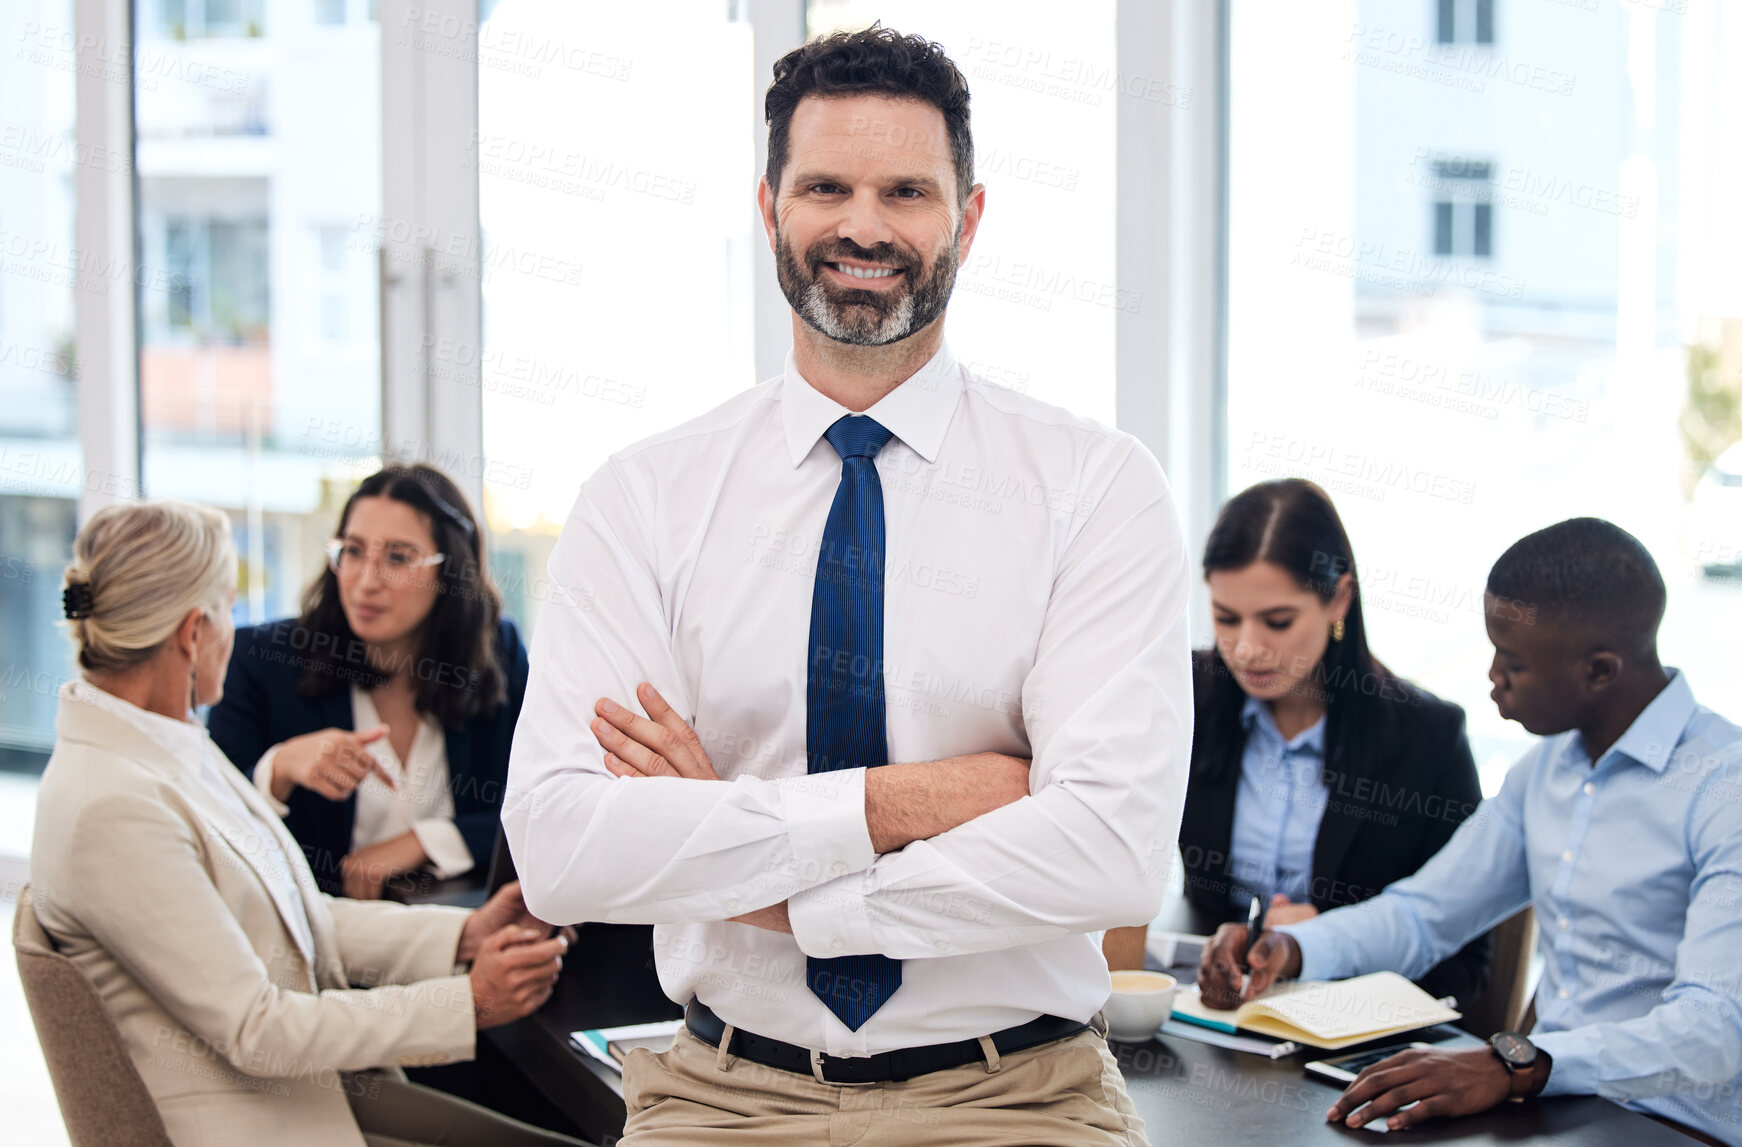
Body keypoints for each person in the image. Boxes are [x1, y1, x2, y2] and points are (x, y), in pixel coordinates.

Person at [504, 25, 1190, 1147]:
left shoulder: (1095, 488)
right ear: (769, 205)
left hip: (1015, 1100)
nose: (862, 226)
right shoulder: (643, 498)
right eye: (825, 185)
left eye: (905, 191)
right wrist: (912, 802)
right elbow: (564, 846)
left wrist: (754, 869)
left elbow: (1111, 853)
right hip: (721, 1100)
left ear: (965, 220)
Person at [29, 499, 584, 1147]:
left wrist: (464, 931)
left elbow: (299, 917)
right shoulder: (113, 806)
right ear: (192, 633)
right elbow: (257, 1028)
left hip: (309, 1096)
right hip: (259, 1122)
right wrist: (468, 1003)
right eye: (229, 610)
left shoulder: (162, 743)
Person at [1198, 518, 1742, 1145]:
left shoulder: (1721, 788)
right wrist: (1294, 950)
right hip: (1556, 1103)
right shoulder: (1546, 772)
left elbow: (1715, 1030)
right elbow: (1425, 916)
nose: (1491, 679)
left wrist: (1515, 1064)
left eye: (1512, 664)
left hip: (1679, 1126)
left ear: (1599, 671)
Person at [1177, 479, 1490, 1006]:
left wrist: (1325, 941)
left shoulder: (1427, 738)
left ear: (1339, 598)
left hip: (1350, 1038)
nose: (1248, 649)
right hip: (1211, 1019)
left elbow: (1464, 963)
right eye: (1226, 619)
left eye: (1277, 621)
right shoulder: (1187, 699)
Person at [209, 464, 528, 899]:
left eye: (397, 557)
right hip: (324, 949)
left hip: (468, 936)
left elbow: (538, 808)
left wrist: (426, 841)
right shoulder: (261, 661)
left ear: (451, 571)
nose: (365, 580)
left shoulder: (497, 651)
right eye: (353, 551)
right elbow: (212, 828)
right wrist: (280, 767)